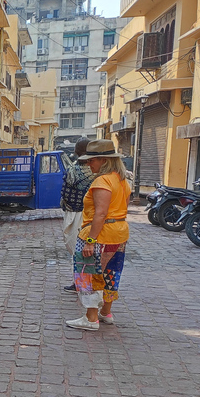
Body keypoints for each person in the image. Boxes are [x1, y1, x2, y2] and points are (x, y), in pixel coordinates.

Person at [66, 140, 131, 331]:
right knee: (111, 273)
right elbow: (123, 207)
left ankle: (91, 317)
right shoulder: (121, 180)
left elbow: (100, 213)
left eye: (91, 160)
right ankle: (106, 313)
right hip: (119, 232)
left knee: (87, 274)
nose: (88, 164)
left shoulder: (102, 181)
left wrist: (90, 241)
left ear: (103, 160)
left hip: (100, 234)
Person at [60, 138, 94, 292]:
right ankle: (85, 281)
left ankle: (80, 282)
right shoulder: (97, 172)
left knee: (77, 249)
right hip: (92, 214)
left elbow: (65, 194)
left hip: (76, 214)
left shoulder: (73, 170)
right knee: (85, 250)